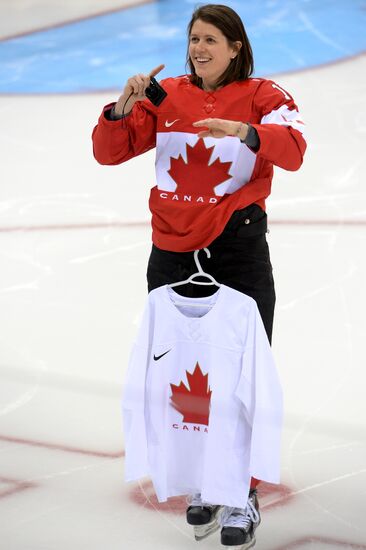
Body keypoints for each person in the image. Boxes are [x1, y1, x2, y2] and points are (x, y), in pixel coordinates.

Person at [92, 3, 306, 548]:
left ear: (236, 47)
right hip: (171, 252)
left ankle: (242, 491)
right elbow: (108, 152)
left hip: (236, 248)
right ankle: (203, 483)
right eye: (193, 39)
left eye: (211, 39)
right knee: (185, 375)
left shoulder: (265, 96)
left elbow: (296, 149)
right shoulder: (170, 98)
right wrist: (122, 109)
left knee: (242, 376)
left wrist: (247, 131)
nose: (199, 49)